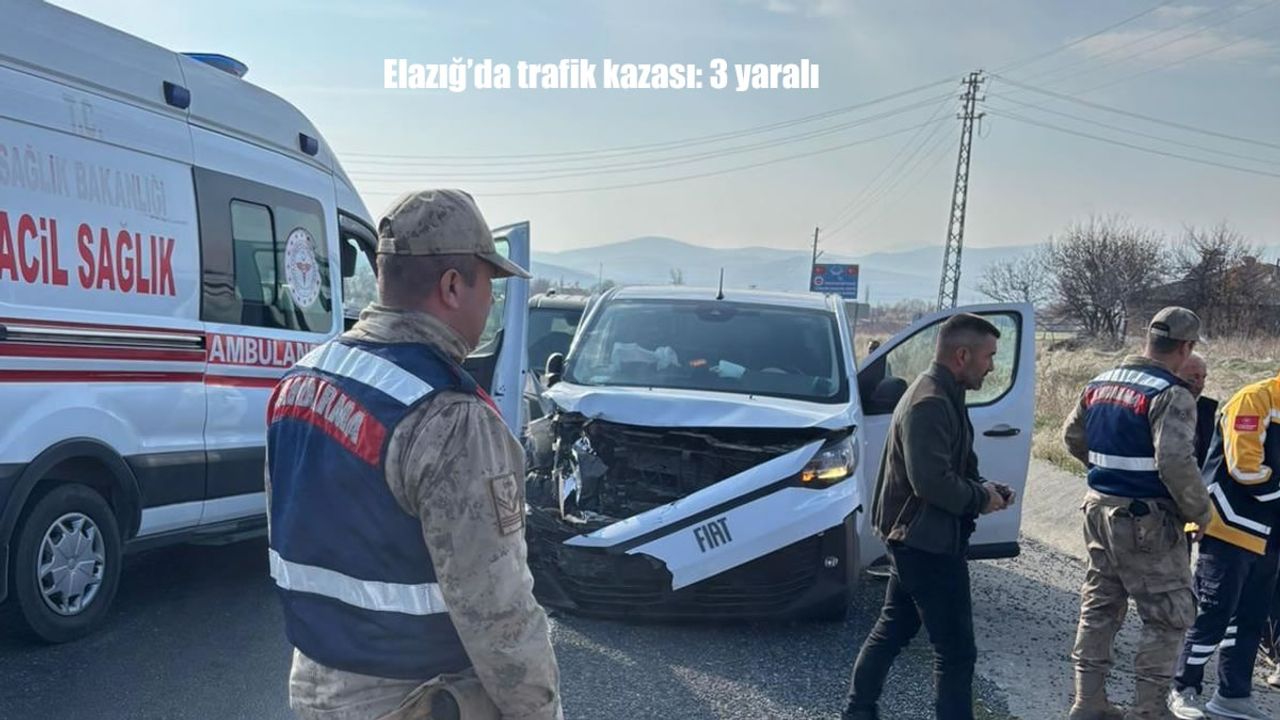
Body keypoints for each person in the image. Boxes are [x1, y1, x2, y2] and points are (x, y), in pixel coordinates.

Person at [265, 189, 563, 720]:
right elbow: (499, 614)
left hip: (312, 685)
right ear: (452, 286)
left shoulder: (300, 381)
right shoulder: (450, 417)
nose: (490, 303)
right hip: (410, 699)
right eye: (488, 285)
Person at [843, 313, 1014, 720]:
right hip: (925, 542)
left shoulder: (946, 393)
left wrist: (986, 486)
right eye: (989, 356)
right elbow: (931, 482)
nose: (992, 366)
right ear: (962, 355)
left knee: (894, 628)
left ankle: (857, 711)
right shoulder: (930, 402)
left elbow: (953, 466)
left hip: (919, 537)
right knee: (956, 653)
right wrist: (980, 499)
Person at [1062, 307, 1212, 720]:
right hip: (1147, 520)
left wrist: (1108, 471)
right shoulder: (1171, 393)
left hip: (1098, 510)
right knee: (1168, 614)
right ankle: (1149, 711)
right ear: (1186, 347)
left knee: (1100, 605)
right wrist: (1201, 512)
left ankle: (1088, 701)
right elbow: (1176, 462)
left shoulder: (1100, 382)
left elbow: (1071, 437)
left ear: (1149, 338)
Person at [1167, 373, 1280, 720]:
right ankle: (1182, 687)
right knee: (1214, 610)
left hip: (1270, 532)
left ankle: (1233, 694)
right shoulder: (1254, 398)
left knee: (1252, 616)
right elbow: (1245, 467)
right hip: (1230, 525)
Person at [1175, 352, 1218, 469]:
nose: (1200, 385)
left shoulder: (1205, 411)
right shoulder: (1162, 409)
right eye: (1193, 378)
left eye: (1203, 377)